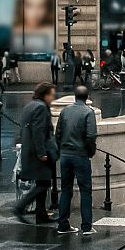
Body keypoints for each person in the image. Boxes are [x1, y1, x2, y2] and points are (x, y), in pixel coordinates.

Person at [54, 85, 98, 235]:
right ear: (87, 97)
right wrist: (90, 152)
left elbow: (58, 133)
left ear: (75, 96)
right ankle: (86, 226)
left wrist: (61, 149)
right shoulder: (88, 112)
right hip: (80, 155)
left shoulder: (65, 111)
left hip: (65, 155)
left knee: (66, 190)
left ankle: (63, 224)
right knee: (85, 190)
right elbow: (91, 136)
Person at [14, 82, 57, 225]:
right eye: (51, 95)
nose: (53, 98)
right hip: (37, 153)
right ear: (45, 95)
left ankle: (41, 214)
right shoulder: (41, 108)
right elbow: (38, 132)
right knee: (43, 184)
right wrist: (41, 153)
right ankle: (20, 207)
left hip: (30, 150)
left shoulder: (30, 105)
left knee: (42, 182)